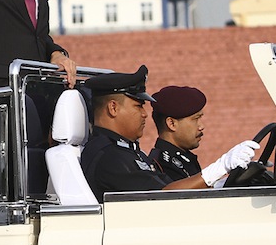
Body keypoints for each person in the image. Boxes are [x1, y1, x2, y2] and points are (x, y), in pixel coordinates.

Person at [79, 67, 259, 201]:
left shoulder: (123, 151)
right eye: (138, 105)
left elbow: (165, 186)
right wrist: (221, 167)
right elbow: (164, 196)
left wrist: (220, 183)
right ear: (113, 107)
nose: (144, 113)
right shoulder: (109, 157)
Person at [148, 86, 207, 181]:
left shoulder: (184, 158)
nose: (201, 126)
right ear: (171, 123)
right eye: (195, 119)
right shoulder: (164, 166)